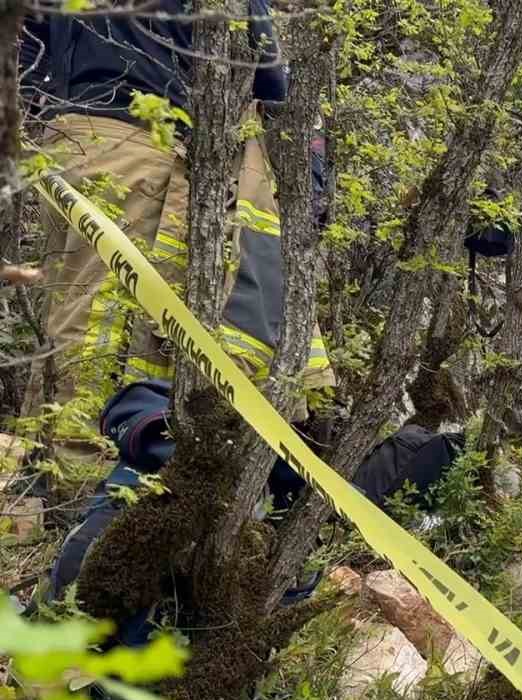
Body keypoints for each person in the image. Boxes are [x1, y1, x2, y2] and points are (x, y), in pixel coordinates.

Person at [25, 1, 334, 435]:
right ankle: (96, 471)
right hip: (145, 140)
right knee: (112, 322)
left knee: (79, 312)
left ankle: (68, 467)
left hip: (69, 140)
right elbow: (264, 64)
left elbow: (23, 42)